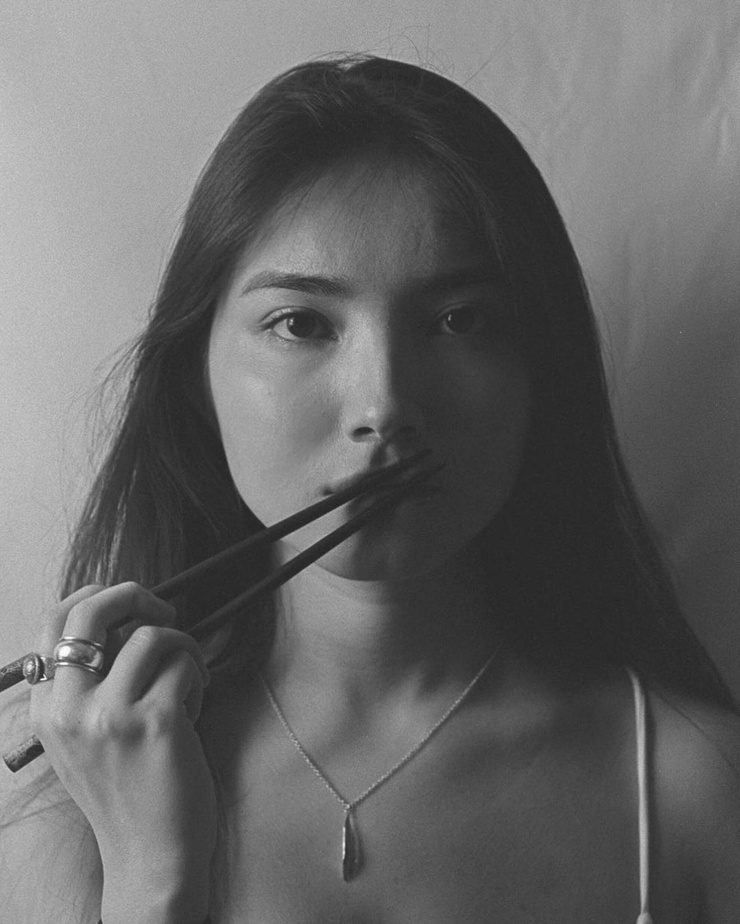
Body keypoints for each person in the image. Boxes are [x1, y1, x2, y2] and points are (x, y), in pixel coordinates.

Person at [1, 54, 739, 923]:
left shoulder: (691, 791)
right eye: (301, 323)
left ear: (540, 373)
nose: (385, 404)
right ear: (195, 374)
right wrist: (150, 874)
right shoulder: (79, 809)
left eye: (459, 320)